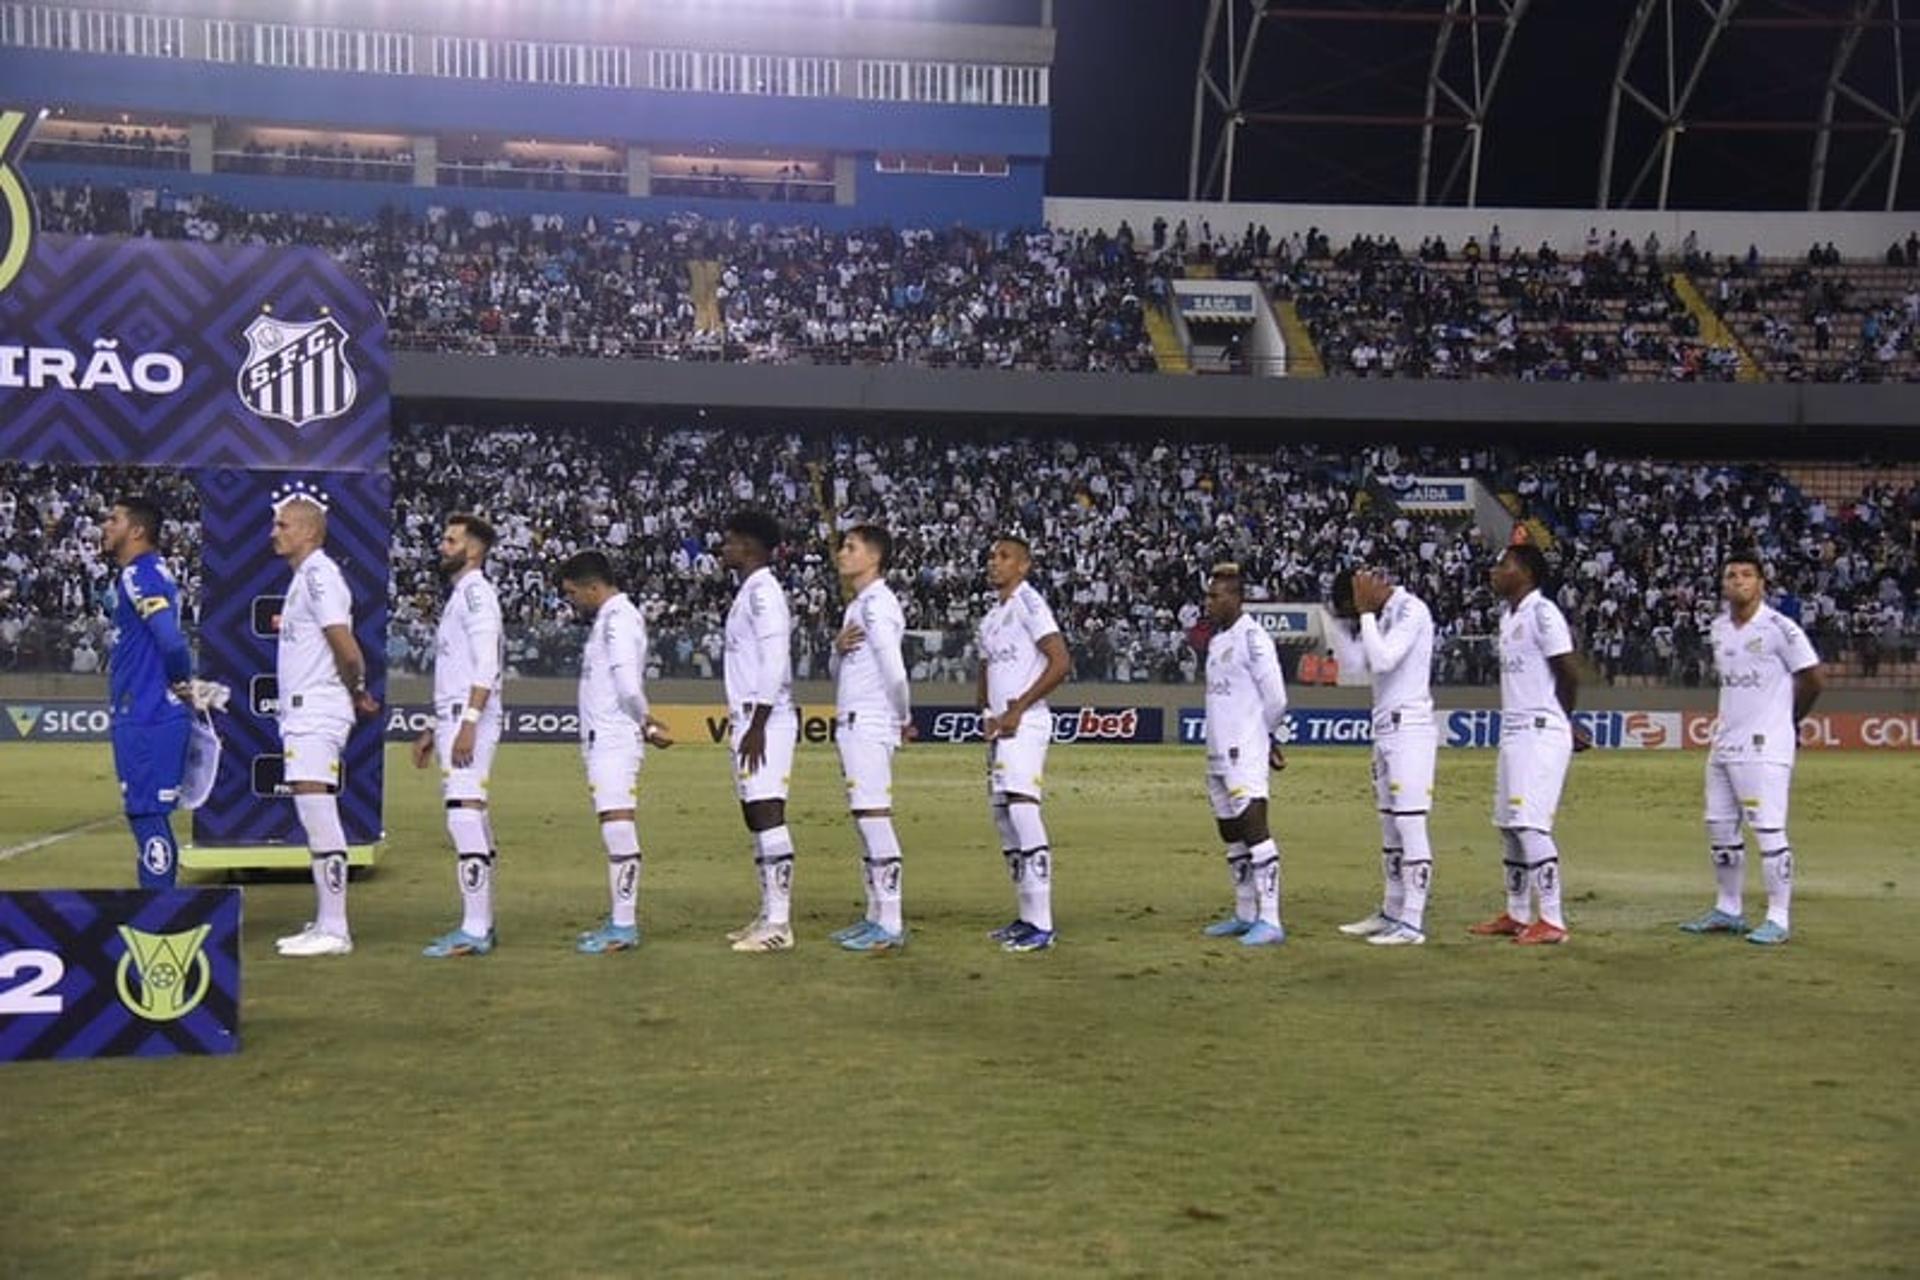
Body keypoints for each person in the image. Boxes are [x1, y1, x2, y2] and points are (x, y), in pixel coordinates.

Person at [1680, 552, 1824, 945]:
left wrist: (1788, 722)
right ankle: (1728, 908)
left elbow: (1812, 679)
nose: (1738, 581)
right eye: (1731, 575)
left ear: (1761, 583)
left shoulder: (1781, 628)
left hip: (1765, 745)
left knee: (1768, 830)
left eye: (1747, 575)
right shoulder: (1719, 628)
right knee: (1719, 827)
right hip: (1724, 742)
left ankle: (1779, 917)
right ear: (1723, 584)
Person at [270, 491, 380, 958]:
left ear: (310, 532)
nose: (275, 533)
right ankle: (325, 920)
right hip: (305, 708)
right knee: (311, 809)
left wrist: (355, 688)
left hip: (317, 707)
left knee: (317, 811)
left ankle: (335, 928)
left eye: (284, 525)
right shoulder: (305, 578)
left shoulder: (318, 575)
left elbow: (345, 643)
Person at [1469, 543, 1588, 946]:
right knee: (1507, 825)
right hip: (1515, 728)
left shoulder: (1542, 612)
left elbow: (1568, 672)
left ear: (1526, 573)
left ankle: (1552, 919)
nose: (1495, 570)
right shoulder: (1508, 616)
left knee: (1529, 823)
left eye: (1504, 564)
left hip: (1539, 729)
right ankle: (1518, 913)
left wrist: (1562, 720)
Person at [559, 550, 674, 954]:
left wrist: (645, 722)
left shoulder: (619, 620)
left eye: (574, 593)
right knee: (613, 821)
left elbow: (626, 683)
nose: (573, 601)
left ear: (594, 587)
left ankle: (624, 925)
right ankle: (620, 921)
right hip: (604, 737)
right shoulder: (610, 619)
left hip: (614, 738)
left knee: (618, 823)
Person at [1328, 566, 1439, 946]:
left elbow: (1384, 659)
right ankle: (1391, 911)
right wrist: (1337, 626)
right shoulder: (1385, 616)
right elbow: (1357, 664)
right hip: (1385, 728)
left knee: (1409, 824)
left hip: (1410, 727)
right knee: (1391, 828)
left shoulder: (1411, 610)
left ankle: (1412, 922)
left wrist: (1363, 614)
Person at [411, 515, 505, 958]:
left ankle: (475, 928)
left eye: (451, 541)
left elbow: (486, 665)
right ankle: (481, 921)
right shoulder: (460, 597)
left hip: (471, 718)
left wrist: (468, 722)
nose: (442, 547)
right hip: (454, 717)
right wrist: (436, 726)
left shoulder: (477, 596)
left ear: (474, 549)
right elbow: (459, 670)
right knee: (472, 816)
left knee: (463, 815)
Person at [978, 535, 1072, 952]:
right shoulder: (991, 617)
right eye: (992, 556)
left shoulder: (1031, 604)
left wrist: (1018, 709)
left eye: (1004, 557)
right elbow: (986, 673)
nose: (994, 563)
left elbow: (1060, 661)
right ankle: (1026, 915)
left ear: (1024, 566)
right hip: (1001, 729)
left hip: (1027, 723)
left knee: (1022, 809)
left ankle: (1043, 925)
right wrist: (987, 714)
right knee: (1004, 818)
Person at [827, 525, 913, 952]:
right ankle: (875, 914)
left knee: (874, 817)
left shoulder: (879, 604)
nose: (842, 553)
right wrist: (836, 649)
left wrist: (903, 716)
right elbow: (839, 671)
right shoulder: (858, 606)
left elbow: (894, 669)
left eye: (851, 547)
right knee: (864, 819)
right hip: (852, 722)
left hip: (870, 721)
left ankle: (892, 922)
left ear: (874, 558)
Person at [100, 495, 193, 890]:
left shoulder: (140, 574)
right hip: (149, 710)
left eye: (113, 519)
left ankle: (158, 913)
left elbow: (171, 641)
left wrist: (179, 681)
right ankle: (161, 907)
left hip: (147, 712)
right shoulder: (153, 571)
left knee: (146, 814)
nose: (104, 526)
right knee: (148, 813)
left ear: (136, 530)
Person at [1195, 564, 1290, 947]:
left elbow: (1277, 699)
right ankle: (1245, 912)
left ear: (1236, 598)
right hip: (1217, 751)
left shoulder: (1254, 638)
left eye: (1216, 596)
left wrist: (1265, 738)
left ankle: (1271, 919)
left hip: (1244, 751)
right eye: (1208, 595)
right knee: (1231, 833)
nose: (1209, 602)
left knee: (1254, 829)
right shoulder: (1219, 641)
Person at [720, 510, 801, 952]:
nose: (723, 548)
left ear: (749, 547)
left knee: (768, 811)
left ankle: (780, 924)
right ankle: (768, 912)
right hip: (750, 716)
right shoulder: (748, 591)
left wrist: (760, 721)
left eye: (729, 541)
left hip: (763, 716)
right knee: (755, 814)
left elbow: (775, 657)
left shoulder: (764, 592)